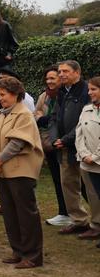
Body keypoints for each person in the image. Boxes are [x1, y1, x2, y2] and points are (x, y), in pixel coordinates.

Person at [0, 76, 45, 268]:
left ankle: (33, 255)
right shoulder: (0, 114)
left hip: (20, 172)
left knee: (26, 213)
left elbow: (16, 143)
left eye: (3, 94)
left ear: (16, 94)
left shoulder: (24, 115)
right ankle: (18, 251)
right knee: (9, 213)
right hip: (1, 171)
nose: (0, 98)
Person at [50, 60, 99, 238]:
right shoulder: (62, 92)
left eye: (65, 71)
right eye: (60, 71)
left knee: (92, 188)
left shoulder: (86, 91)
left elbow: (83, 121)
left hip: (85, 148)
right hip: (64, 148)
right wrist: (55, 138)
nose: (61, 74)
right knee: (68, 185)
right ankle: (79, 220)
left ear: (77, 72)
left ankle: (97, 223)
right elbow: (54, 117)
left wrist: (65, 139)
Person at [35, 67, 70, 226]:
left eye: (53, 78)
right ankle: (64, 212)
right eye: (47, 78)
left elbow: (60, 119)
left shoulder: (65, 96)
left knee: (71, 180)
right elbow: (36, 115)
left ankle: (73, 212)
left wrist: (45, 118)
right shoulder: (44, 96)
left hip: (63, 142)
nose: (49, 81)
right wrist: (44, 119)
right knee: (57, 178)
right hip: (48, 143)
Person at [74, 76, 100, 247]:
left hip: (97, 161)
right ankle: (97, 226)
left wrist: (96, 157)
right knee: (94, 197)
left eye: (93, 89)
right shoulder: (86, 109)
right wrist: (84, 154)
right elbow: (79, 134)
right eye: (89, 89)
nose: (89, 92)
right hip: (87, 163)